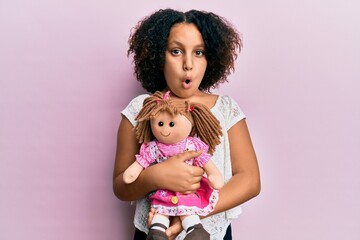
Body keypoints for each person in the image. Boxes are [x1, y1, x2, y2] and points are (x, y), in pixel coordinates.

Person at [113, 8, 261, 240]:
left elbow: (250, 180)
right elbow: (121, 186)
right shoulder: (142, 109)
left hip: (209, 233)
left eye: (199, 52)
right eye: (176, 51)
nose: (188, 64)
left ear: (211, 57)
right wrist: (155, 176)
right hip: (153, 232)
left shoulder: (225, 109)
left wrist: (190, 211)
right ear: (158, 56)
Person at [123, 90, 224, 239]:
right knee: (160, 210)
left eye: (171, 124)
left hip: (187, 191)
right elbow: (139, 164)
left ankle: (195, 230)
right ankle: (157, 232)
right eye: (161, 124)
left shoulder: (192, 146)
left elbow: (204, 160)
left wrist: (214, 175)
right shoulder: (154, 148)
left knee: (187, 209)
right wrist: (137, 173)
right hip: (162, 191)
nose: (165, 130)